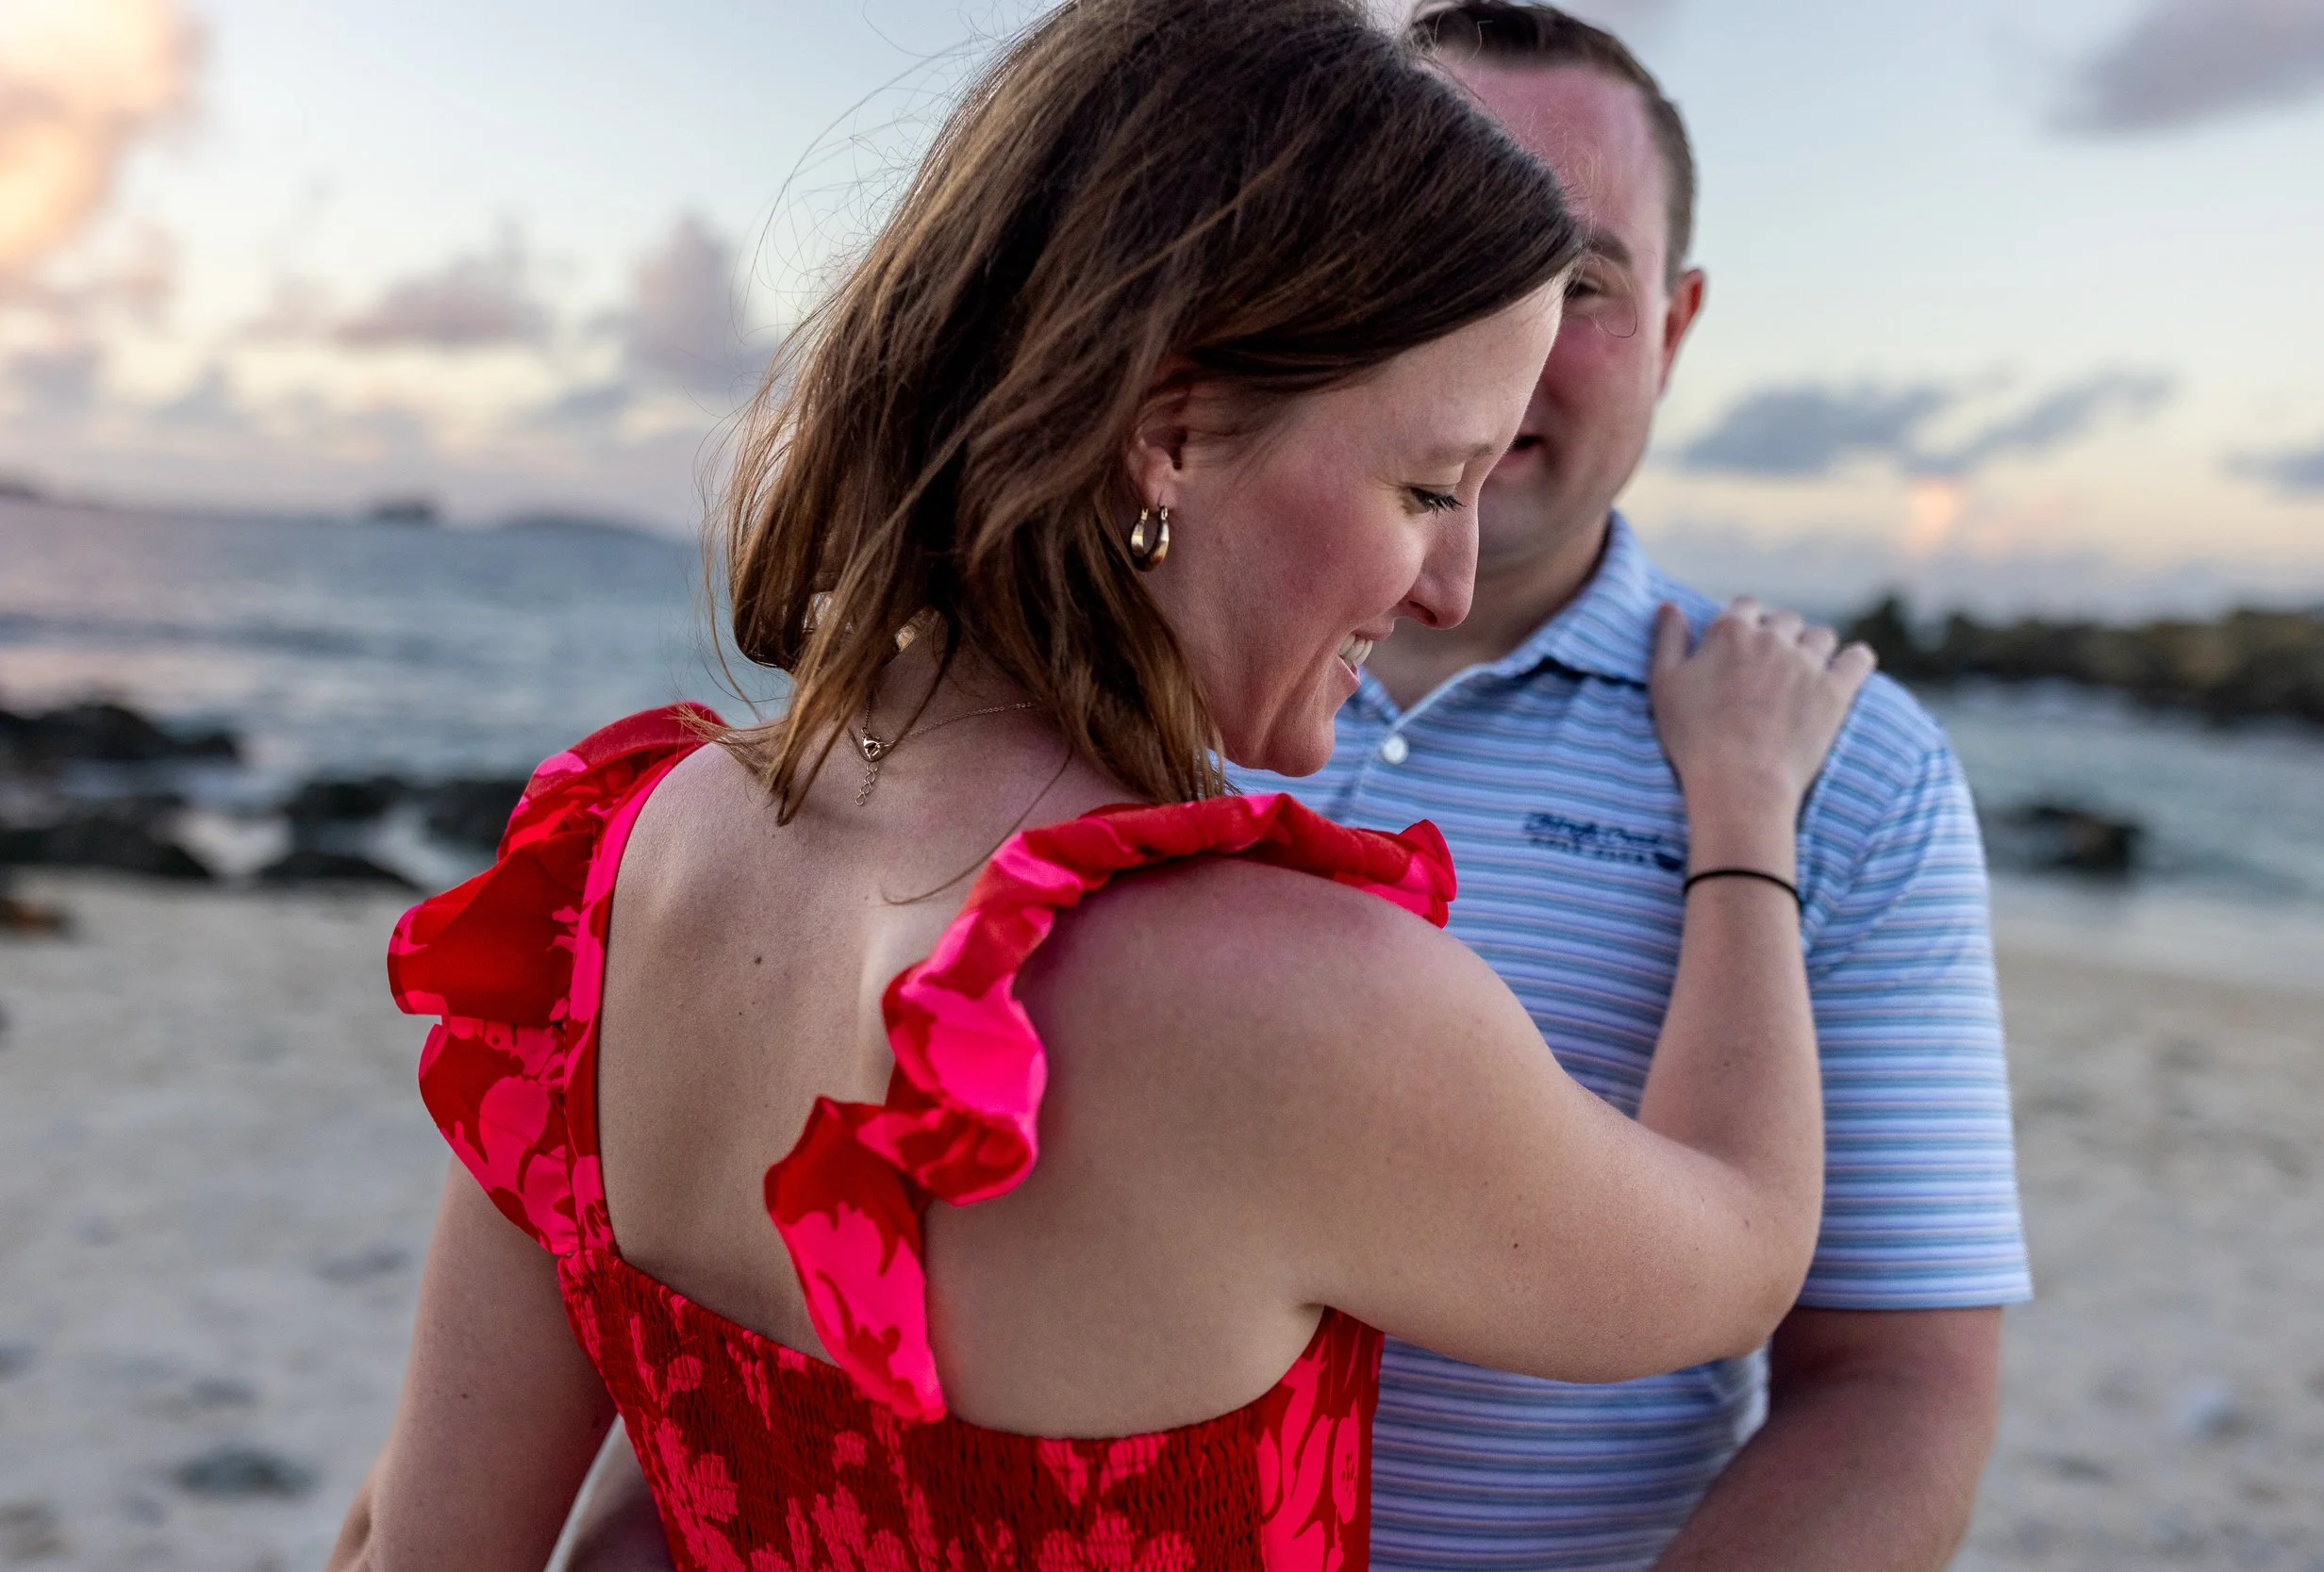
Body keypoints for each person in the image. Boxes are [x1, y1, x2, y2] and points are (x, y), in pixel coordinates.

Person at [326, 1, 1875, 1568]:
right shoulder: (1293, 1000)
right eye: (1424, 486)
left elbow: (426, 1541)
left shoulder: (606, 868)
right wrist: (1746, 815)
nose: (1448, 579)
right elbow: (1737, 1251)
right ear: (1174, 431)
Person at [1238, 7, 2035, 1570]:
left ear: (1674, 327)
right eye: (1430, 246)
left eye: (1580, 282)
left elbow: (1896, 1383)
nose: (1505, 335)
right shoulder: (1085, 684)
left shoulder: (1844, 768)